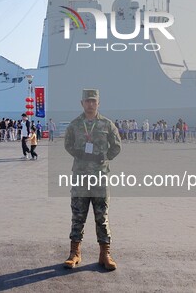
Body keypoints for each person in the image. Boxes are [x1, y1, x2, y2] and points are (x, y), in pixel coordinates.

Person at [63, 89, 122, 271]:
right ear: (82, 103)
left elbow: (117, 146)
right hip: (80, 178)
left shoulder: (107, 124)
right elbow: (67, 144)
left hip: (100, 178)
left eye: (93, 101)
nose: (90, 104)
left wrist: (104, 157)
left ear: (98, 103)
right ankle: (75, 253)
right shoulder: (74, 125)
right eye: (87, 101)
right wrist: (78, 153)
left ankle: (105, 254)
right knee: (78, 216)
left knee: (101, 217)